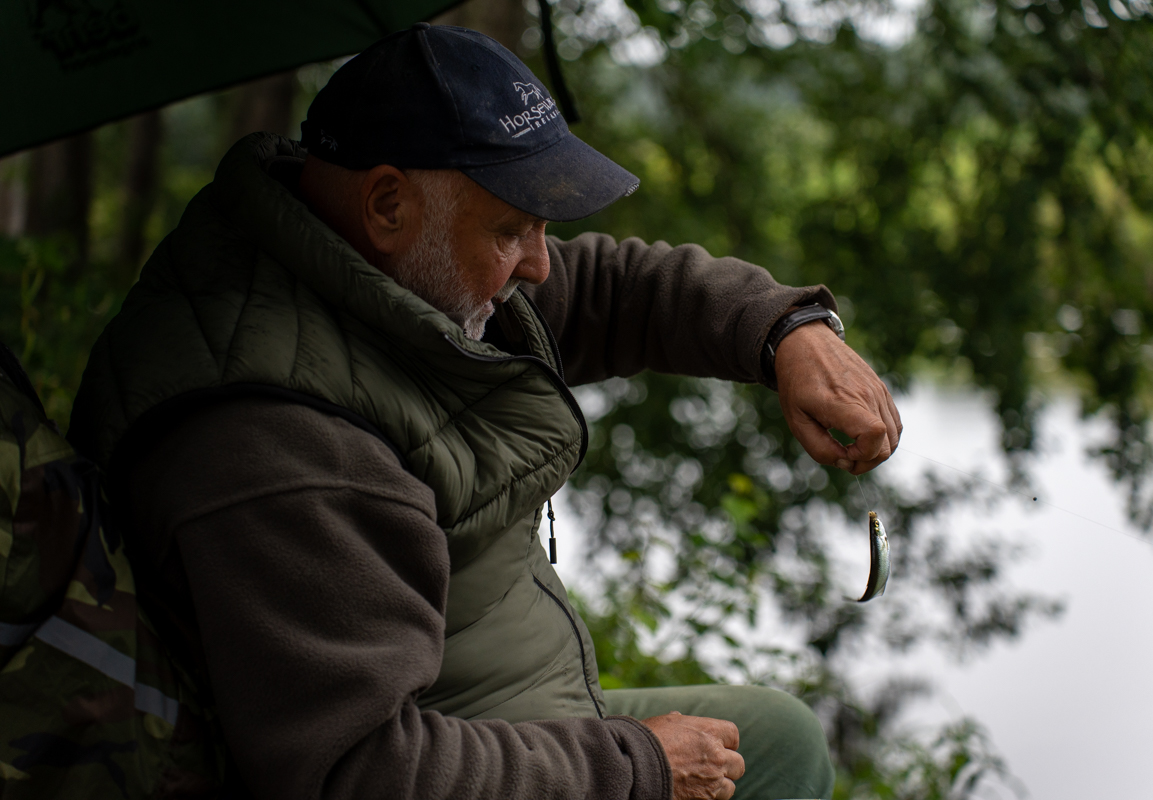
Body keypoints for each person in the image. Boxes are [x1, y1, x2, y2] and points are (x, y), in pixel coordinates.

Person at [68, 23, 901, 800]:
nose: (539, 265)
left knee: (784, 739)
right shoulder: (277, 442)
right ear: (387, 205)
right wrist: (636, 769)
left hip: (519, 719)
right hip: (456, 759)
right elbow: (362, 770)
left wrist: (784, 332)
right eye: (510, 230)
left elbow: (616, 290)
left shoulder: (373, 264)